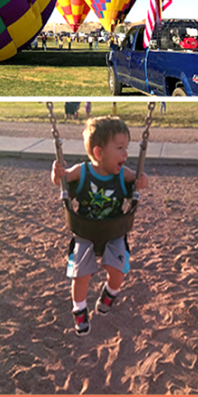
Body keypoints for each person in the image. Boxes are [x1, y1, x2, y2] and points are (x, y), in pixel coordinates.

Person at [51, 116, 149, 337]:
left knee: (119, 271)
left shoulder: (123, 174)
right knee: (80, 274)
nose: (126, 154)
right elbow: (62, 181)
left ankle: (110, 292)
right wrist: (57, 174)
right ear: (98, 153)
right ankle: (79, 308)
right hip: (85, 232)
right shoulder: (82, 171)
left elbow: (140, 180)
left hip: (114, 232)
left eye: (127, 147)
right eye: (120, 148)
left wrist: (143, 182)